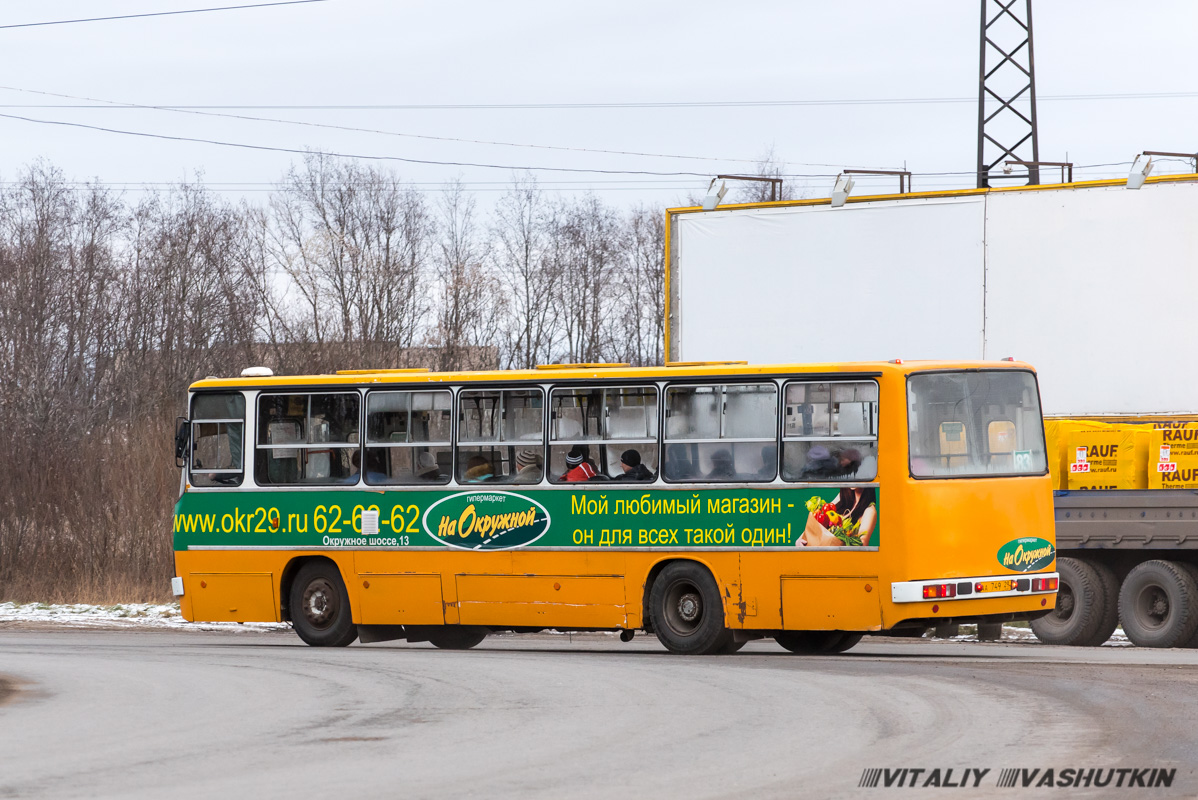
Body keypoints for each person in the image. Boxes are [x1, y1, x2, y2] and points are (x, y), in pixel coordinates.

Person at [798, 487, 878, 547]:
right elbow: (823, 517)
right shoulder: (843, 496)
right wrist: (803, 537)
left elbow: (861, 546)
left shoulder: (869, 511)